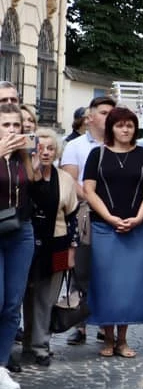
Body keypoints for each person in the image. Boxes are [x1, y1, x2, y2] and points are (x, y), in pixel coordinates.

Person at [82, 106, 143, 358]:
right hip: (104, 227)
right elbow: (89, 191)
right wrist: (110, 217)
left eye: (129, 125)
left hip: (134, 228)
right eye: (120, 125)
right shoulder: (98, 154)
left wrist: (137, 218)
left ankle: (123, 339)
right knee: (105, 283)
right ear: (111, 128)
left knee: (129, 285)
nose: (125, 129)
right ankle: (108, 337)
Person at [60, 96, 114, 345]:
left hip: (113, 214)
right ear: (90, 117)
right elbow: (72, 180)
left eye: (111, 112)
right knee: (81, 267)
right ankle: (79, 322)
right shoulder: (76, 146)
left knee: (108, 268)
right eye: (103, 112)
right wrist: (96, 201)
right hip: (84, 212)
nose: (108, 117)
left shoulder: (119, 145)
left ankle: (106, 323)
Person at [22, 129, 79, 368]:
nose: (45, 152)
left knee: (46, 298)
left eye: (50, 148)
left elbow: (72, 217)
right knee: (21, 295)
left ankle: (41, 345)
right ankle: (24, 343)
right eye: (40, 147)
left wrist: (72, 250)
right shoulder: (23, 175)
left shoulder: (65, 179)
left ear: (57, 152)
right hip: (23, 243)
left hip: (56, 243)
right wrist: (32, 168)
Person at [0, 103, 38, 389]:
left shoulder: (23, 157)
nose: (13, 131)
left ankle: (1, 366)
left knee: (13, 303)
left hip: (20, 230)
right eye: (6, 125)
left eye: (16, 126)